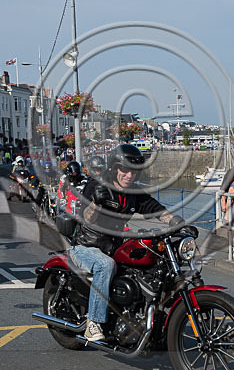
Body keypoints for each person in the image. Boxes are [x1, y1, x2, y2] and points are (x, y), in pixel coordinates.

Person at [71, 144, 184, 341]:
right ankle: (93, 323)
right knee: (106, 265)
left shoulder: (133, 193)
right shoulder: (97, 185)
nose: (129, 175)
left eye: (133, 171)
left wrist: (177, 223)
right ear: (115, 169)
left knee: (153, 264)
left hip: (114, 246)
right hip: (87, 246)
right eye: (125, 170)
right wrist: (97, 203)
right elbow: (86, 217)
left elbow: (155, 209)